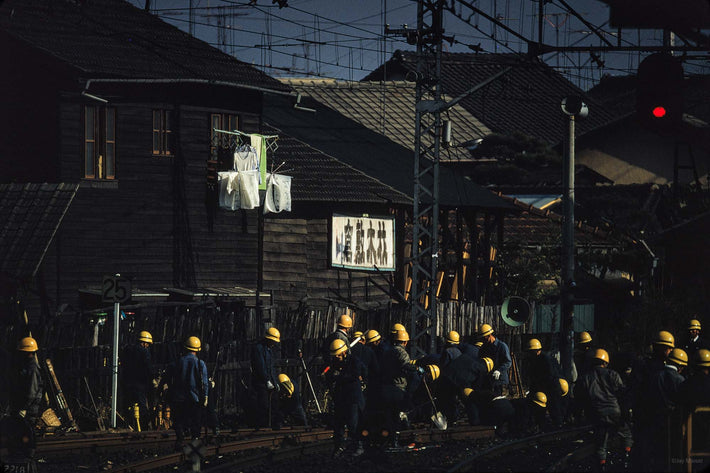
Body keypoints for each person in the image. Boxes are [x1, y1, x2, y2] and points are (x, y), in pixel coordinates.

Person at [575, 348, 632, 471]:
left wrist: (578, 418)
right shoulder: (613, 375)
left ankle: (601, 465)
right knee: (626, 434)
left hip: (596, 414)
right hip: (615, 412)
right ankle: (626, 458)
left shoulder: (584, 378)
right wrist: (626, 413)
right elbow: (623, 395)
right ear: (605, 362)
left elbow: (579, 400)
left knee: (601, 443)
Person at [641, 348, 688, 472]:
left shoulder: (655, 376)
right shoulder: (680, 380)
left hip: (656, 420)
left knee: (658, 454)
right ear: (680, 366)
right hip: (674, 423)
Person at [325, 339, 367, 457]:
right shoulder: (334, 363)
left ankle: (358, 446)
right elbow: (330, 377)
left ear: (344, 352)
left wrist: (338, 377)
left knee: (353, 424)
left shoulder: (354, 361)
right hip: (340, 397)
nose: (336, 357)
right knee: (338, 425)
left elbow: (356, 375)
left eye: (338, 354)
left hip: (353, 397)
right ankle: (338, 447)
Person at [380, 329, 423, 437]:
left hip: (386, 385)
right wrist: (417, 368)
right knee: (401, 411)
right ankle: (398, 435)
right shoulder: (401, 352)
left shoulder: (388, 351)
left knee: (389, 413)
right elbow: (405, 365)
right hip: (398, 385)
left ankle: (389, 435)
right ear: (405, 342)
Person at [168, 336, 209, 445]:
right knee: (196, 425)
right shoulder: (201, 364)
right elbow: (204, 383)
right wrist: (205, 396)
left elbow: (171, 377)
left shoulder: (178, 362)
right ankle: (194, 451)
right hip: (194, 399)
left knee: (180, 422)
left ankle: (180, 442)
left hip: (179, 399)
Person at [438, 355, 494, 425]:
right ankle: (474, 421)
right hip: (460, 382)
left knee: (447, 401)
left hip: (445, 377)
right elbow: (476, 389)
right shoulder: (482, 369)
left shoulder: (466, 357)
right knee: (471, 399)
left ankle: (449, 420)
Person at [525, 338, 564, 427]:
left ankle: (558, 426)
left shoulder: (546, 360)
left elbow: (550, 376)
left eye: (531, 352)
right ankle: (542, 424)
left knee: (554, 407)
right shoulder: (535, 359)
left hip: (551, 387)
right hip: (543, 386)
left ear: (536, 351)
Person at [121, 330, 156, 430]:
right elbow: (148, 367)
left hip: (127, 383)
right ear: (145, 343)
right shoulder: (145, 352)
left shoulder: (128, 350)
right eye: (148, 344)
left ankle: (128, 425)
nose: (148, 346)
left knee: (128, 405)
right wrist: (152, 378)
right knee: (142, 406)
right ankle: (144, 427)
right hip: (140, 384)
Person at [250, 327, 281, 428]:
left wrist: (275, 381)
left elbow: (271, 367)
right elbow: (260, 366)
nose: (274, 343)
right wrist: (266, 380)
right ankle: (263, 426)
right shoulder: (258, 349)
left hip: (270, 380)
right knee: (264, 404)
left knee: (275, 403)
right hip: (261, 382)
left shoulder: (269, 349)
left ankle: (273, 425)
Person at [11, 337, 44, 429]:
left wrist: (24, 408)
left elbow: (31, 392)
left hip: (30, 410)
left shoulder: (32, 368)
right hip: (26, 407)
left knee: (26, 433)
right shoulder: (26, 365)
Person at [479, 324, 512, 396]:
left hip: (500, 381)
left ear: (489, 335)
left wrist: (499, 370)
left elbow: (508, 362)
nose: (483, 340)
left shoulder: (502, 346)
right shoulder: (484, 348)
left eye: (484, 338)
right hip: (489, 381)